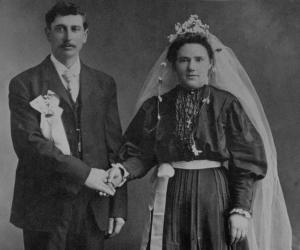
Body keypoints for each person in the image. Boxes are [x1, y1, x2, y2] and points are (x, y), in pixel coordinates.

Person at [107, 15, 292, 250]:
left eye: (198, 59)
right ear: (174, 64)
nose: (191, 67)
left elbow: (246, 162)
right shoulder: (157, 106)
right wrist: (123, 170)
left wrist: (241, 209)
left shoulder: (226, 104)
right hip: (172, 195)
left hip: (214, 196)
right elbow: (141, 154)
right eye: (184, 60)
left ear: (210, 64)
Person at [9, 2, 127, 250]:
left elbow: (115, 147)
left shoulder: (104, 83)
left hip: (93, 205)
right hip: (44, 206)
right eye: (60, 29)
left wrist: (118, 206)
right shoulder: (24, 83)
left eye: (75, 29)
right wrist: (85, 174)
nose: (68, 36)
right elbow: (29, 144)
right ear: (48, 33)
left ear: (85, 35)